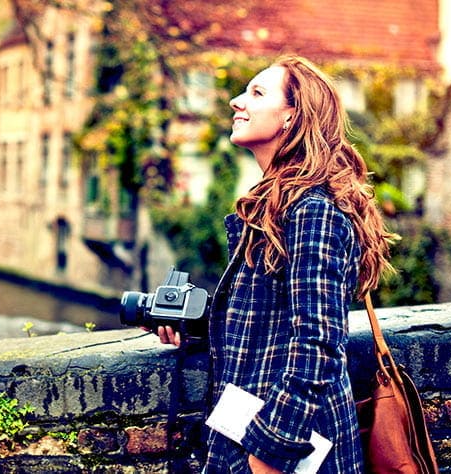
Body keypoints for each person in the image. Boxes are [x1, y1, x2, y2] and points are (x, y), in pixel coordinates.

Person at [154, 55, 397, 473]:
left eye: (256, 92)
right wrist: (191, 325)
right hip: (251, 429)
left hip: (292, 446)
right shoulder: (277, 205)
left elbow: (319, 343)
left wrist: (272, 449)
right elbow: (269, 321)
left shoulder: (311, 211)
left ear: (291, 116)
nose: (235, 101)